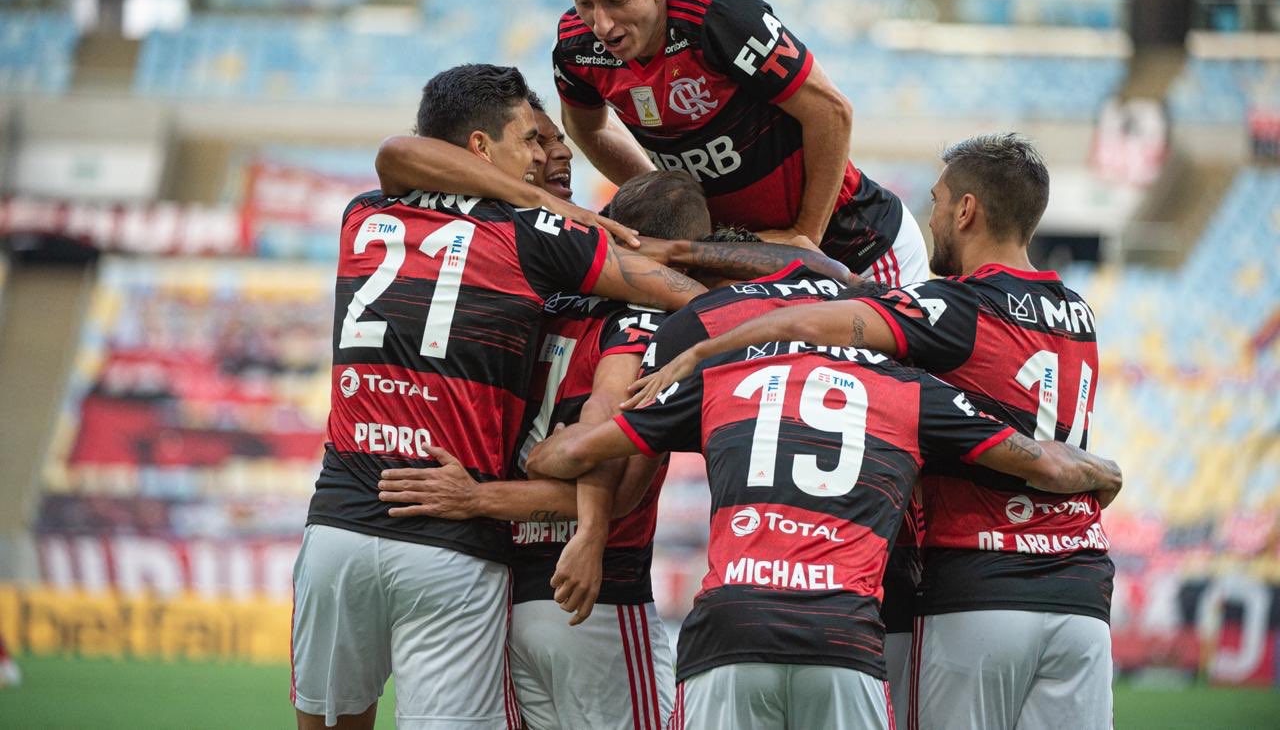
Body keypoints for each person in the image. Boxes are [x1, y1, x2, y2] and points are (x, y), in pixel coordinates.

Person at [630, 133, 1115, 730]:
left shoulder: (951, 309)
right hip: (1083, 589)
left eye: (936, 202)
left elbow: (816, 316)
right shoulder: (1079, 315)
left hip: (973, 582)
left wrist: (708, 345)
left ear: (966, 211)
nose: (930, 218)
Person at [290, 63, 706, 730]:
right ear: (482, 149)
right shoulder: (538, 241)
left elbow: (396, 153)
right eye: (531, 142)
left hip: (338, 521)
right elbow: (677, 294)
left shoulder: (366, 211)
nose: (546, 158)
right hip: (458, 545)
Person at [526, 341, 1122, 730]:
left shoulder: (725, 376)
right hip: (842, 636)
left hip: (730, 629)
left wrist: (539, 453)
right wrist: (1104, 473)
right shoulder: (912, 389)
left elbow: (572, 453)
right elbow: (1039, 463)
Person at [379, 170, 713, 730]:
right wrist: (587, 531)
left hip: (514, 597)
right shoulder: (648, 323)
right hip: (597, 597)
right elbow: (615, 463)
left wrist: (479, 498)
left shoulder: (543, 304)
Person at [553, 0, 927, 285]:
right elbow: (589, 128)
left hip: (856, 246)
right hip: (742, 263)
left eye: (618, 0)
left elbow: (831, 112)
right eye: (582, 1)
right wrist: (665, 193)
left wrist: (805, 235)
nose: (601, 25)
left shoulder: (720, 17)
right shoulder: (577, 46)